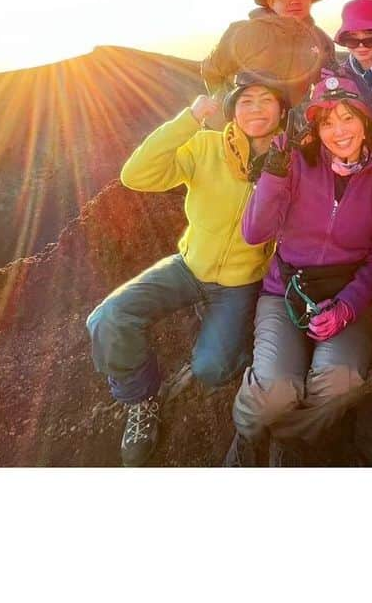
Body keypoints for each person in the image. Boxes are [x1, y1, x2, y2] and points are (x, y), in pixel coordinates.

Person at [86, 72, 288, 467]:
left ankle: (228, 334)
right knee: (108, 318)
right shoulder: (207, 146)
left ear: (282, 109)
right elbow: (135, 175)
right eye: (246, 101)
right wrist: (189, 120)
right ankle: (141, 398)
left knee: (212, 369)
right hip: (188, 266)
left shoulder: (291, 162)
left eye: (267, 100)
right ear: (231, 109)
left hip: (240, 284)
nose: (256, 109)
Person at [227, 72, 372, 466]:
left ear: (364, 120)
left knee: (341, 380)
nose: (339, 131)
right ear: (315, 128)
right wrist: (272, 171)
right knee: (274, 390)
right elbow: (255, 233)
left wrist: (347, 306)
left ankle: (291, 444)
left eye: (348, 117)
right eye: (327, 122)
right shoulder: (294, 162)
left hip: (347, 291)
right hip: (286, 290)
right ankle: (248, 436)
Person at [200, 0, 336, 113]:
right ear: (270, 2)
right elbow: (211, 71)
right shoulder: (245, 32)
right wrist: (226, 110)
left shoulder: (322, 41)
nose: (294, 0)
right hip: (238, 126)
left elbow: (327, 84)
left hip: (288, 131)